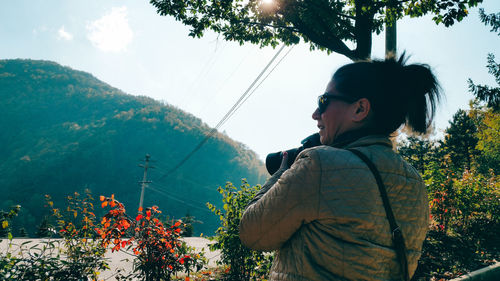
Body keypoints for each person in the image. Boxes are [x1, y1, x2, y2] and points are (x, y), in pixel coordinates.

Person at [239, 54, 441, 281]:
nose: (315, 114)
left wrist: (282, 172)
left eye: (323, 102)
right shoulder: (415, 183)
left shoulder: (319, 165)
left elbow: (252, 233)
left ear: (359, 109)